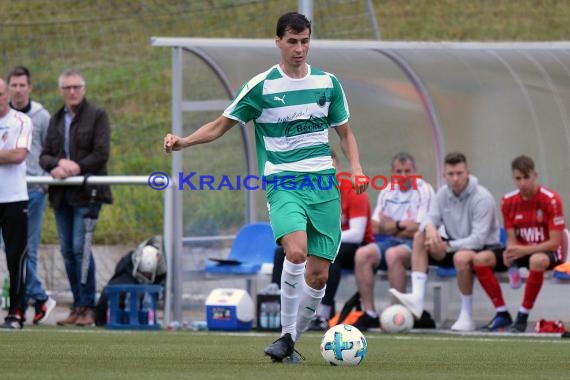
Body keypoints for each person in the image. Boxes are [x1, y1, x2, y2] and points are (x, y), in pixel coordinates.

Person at [164, 12, 367, 363]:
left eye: (305, 41)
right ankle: (286, 334)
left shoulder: (328, 83)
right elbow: (219, 125)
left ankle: (289, 342)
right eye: (292, 41)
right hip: (283, 181)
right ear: (278, 42)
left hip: (323, 185)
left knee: (319, 275)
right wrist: (184, 142)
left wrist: (358, 169)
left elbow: (345, 132)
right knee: (297, 252)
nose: (299, 48)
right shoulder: (262, 86)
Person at [390, 152, 502, 331]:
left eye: (459, 173)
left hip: (482, 249)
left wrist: (447, 246)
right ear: (444, 175)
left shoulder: (482, 198)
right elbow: (429, 219)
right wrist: (430, 228)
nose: (455, 178)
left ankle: (466, 315)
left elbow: (479, 239)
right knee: (420, 236)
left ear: (468, 172)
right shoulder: (442, 194)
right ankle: (417, 298)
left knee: (461, 258)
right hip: (452, 247)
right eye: (451, 174)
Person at [269, 150, 374, 331]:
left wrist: (320, 241)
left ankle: (322, 314)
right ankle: (280, 309)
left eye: (329, 170)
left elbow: (357, 234)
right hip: (319, 241)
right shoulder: (308, 194)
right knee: (282, 252)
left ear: (338, 170)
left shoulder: (353, 192)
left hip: (354, 247)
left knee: (329, 253)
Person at [40, 69, 113, 327]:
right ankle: (77, 306)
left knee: (81, 249)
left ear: (84, 89)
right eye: (67, 88)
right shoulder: (56, 119)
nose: (72, 92)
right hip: (62, 196)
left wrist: (76, 167)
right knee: (68, 252)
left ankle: (88, 307)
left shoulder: (97, 116)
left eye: (76, 87)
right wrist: (57, 164)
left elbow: (101, 153)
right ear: (61, 90)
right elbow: (44, 155)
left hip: (87, 194)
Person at [473, 155, 565, 332]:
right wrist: (511, 254)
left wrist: (522, 250)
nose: (523, 183)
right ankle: (502, 314)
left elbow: (554, 243)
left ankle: (522, 316)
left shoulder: (551, 199)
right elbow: (511, 238)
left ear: (535, 175)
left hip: (548, 253)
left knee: (536, 260)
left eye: (526, 177)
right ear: (513, 178)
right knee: (480, 259)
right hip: (523, 252)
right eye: (518, 178)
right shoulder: (508, 201)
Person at [351, 152, 435, 331]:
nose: (403, 176)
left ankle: (399, 313)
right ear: (392, 172)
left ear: (415, 171)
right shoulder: (387, 191)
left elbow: (419, 229)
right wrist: (400, 224)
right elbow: (373, 227)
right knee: (362, 254)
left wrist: (389, 224)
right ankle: (370, 314)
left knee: (393, 254)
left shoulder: (424, 190)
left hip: (417, 244)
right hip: (391, 240)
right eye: (399, 171)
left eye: (408, 171)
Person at [7, 66, 56, 325]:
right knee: (10, 247)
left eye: (21, 85)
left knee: (29, 249)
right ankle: (39, 298)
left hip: (33, 189)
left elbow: (50, 148)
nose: (17, 89)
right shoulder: (5, 116)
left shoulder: (40, 116)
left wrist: (45, 178)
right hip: (8, 190)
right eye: (13, 85)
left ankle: (31, 301)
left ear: (29, 87)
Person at [0, 78, 33, 329]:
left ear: (7, 94)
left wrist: (7, 155)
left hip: (13, 199)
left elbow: (18, 155)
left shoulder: (21, 121)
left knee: (16, 258)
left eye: (0, 93)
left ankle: (16, 312)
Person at [95, 236, 166, 326]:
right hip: (129, 279)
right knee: (111, 294)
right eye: (144, 273)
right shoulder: (128, 265)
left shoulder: (162, 268)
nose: (146, 276)